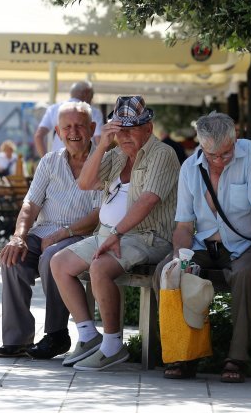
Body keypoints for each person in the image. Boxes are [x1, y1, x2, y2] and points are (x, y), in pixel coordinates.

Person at [51, 96, 180, 371]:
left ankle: (113, 346)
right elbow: (85, 184)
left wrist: (117, 234)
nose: (124, 136)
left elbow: (148, 200)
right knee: (59, 263)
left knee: (100, 267)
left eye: (130, 129)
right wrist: (101, 146)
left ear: (148, 128)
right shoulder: (118, 152)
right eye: (118, 130)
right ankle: (88, 336)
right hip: (110, 234)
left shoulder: (162, 154)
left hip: (148, 236)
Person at [153, 112, 251, 382]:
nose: (220, 161)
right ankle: (182, 354)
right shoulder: (190, 168)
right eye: (212, 155)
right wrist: (179, 259)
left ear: (235, 139)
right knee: (167, 272)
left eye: (225, 153)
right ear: (201, 145)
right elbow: (185, 226)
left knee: (245, 275)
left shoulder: (250, 154)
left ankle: (236, 358)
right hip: (205, 244)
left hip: (247, 244)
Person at [0, 101, 102, 359]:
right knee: (11, 259)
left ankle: (57, 334)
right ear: (57, 131)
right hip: (43, 233)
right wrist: (18, 236)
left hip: (83, 236)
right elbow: (30, 204)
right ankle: (17, 339)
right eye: (67, 127)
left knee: (51, 257)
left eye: (79, 125)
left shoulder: (105, 161)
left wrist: (63, 233)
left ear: (92, 128)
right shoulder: (49, 162)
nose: (73, 132)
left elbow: (99, 214)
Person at [34, 81, 104, 157]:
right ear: (86, 94)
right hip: (86, 162)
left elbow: (38, 136)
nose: (73, 132)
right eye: (92, 96)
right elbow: (99, 142)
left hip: (57, 162)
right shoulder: (94, 112)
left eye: (80, 126)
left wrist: (46, 161)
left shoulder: (54, 109)